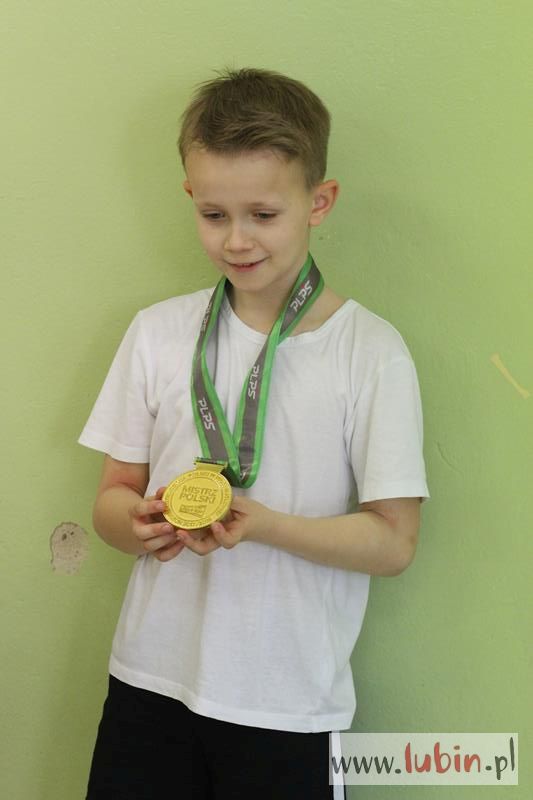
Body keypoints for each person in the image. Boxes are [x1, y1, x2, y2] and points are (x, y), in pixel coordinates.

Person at [79, 67, 429, 800]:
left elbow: (393, 542)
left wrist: (264, 525)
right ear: (190, 197)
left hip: (287, 703)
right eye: (214, 214)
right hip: (149, 680)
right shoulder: (156, 333)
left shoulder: (370, 352)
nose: (236, 240)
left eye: (263, 214)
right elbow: (112, 497)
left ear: (318, 202)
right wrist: (135, 524)